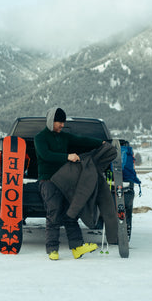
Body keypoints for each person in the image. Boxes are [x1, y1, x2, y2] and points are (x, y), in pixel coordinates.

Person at [34, 107, 114, 260]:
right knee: (54, 213)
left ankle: (77, 247)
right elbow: (46, 155)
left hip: (65, 180)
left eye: (63, 122)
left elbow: (81, 140)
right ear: (52, 121)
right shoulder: (40, 138)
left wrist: (101, 143)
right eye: (59, 122)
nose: (62, 125)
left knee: (71, 213)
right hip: (48, 181)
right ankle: (52, 249)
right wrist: (67, 157)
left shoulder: (64, 137)